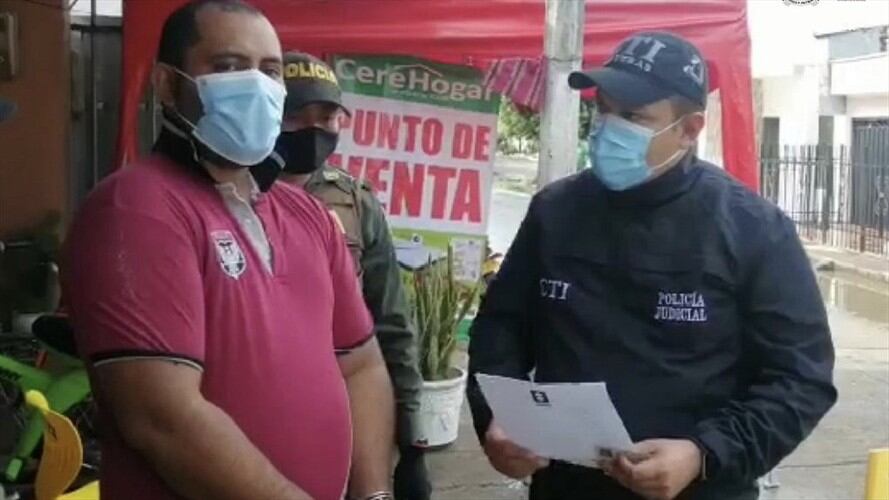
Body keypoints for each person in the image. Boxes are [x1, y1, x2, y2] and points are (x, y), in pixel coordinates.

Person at [466, 31, 836, 500]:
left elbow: (800, 379)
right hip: (566, 486)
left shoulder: (753, 229)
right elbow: (501, 328)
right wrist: (495, 420)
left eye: (632, 116)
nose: (606, 127)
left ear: (689, 129)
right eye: (602, 108)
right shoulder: (555, 212)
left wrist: (704, 453)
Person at [61, 2, 395, 500]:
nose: (257, 86)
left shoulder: (304, 215)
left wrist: (375, 494)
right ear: (169, 86)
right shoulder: (136, 208)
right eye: (229, 67)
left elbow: (361, 364)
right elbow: (164, 421)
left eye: (271, 71)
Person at [252, 51, 431, 500]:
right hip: (249, 417)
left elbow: (391, 324)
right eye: (297, 116)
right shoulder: (227, 194)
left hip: (345, 414)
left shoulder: (355, 203)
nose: (314, 129)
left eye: (328, 116)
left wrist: (412, 442)